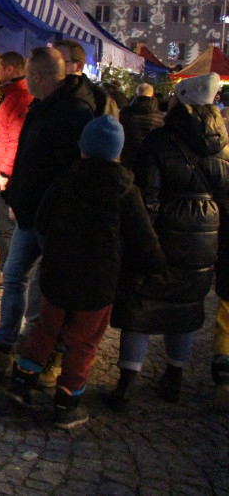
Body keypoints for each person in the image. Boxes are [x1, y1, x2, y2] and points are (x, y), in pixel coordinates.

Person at [8, 116, 165, 428]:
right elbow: (143, 240)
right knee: (84, 343)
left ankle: (22, 383)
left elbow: (42, 219)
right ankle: (67, 404)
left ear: (83, 149)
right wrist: (156, 264)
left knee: (45, 330)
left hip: (58, 275)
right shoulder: (126, 191)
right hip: (98, 285)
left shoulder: (65, 180)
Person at [0, 47, 95, 375]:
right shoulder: (41, 106)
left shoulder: (72, 112)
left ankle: (44, 353)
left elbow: (67, 170)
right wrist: (19, 200)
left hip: (53, 217)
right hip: (30, 212)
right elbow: (26, 158)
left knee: (47, 287)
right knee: (16, 276)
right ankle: (5, 346)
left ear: (37, 76)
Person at [109, 72, 229, 409]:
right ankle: (174, 377)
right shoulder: (224, 145)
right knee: (187, 303)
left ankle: (127, 382)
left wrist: (140, 241)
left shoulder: (160, 141)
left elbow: (146, 196)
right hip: (205, 236)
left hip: (165, 231)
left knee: (142, 300)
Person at [0, 52, 33, 289]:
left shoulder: (18, 97)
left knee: (5, 228)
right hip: (0, 174)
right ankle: (8, 273)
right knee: (1, 226)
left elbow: (15, 139)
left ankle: (9, 276)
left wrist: (4, 173)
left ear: (10, 69)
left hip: (3, 178)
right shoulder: (13, 95)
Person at [52, 39, 118, 118]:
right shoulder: (46, 92)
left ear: (79, 66)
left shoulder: (101, 99)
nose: (52, 67)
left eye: (60, 62)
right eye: (50, 62)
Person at [119, 82, 165, 170]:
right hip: (148, 160)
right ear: (152, 95)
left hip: (127, 158)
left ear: (136, 95)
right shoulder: (160, 117)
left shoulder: (124, 112)